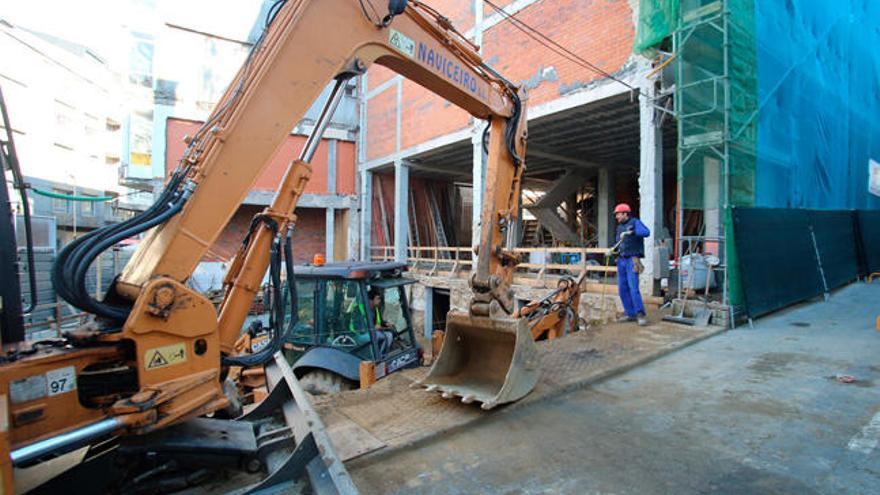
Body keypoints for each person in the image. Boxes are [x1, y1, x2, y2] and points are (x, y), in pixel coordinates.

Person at [613, 203, 650, 326]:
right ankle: (630, 313)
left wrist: (632, 232)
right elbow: (619, 243)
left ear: (625, 214)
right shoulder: (619, 228)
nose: (617, 217)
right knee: (622, 288)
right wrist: (613, 251)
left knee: (633, 287)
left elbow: (646, 232)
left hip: (632, 260)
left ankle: (640, 314)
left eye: (618, 214)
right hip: (621, 260)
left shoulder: (635, 222)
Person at [367, 288, 395, 356]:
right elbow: (358, 326)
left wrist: (386, 324)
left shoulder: (376, 309)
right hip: (361, 333)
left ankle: (382, 354)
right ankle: (376, 356)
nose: (379, 301)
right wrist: (373, 328)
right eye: (378, 298)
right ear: (371, 300)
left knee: (389, 335)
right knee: (381, 336)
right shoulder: (360, 309)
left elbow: (380, 322)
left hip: (374, 332)